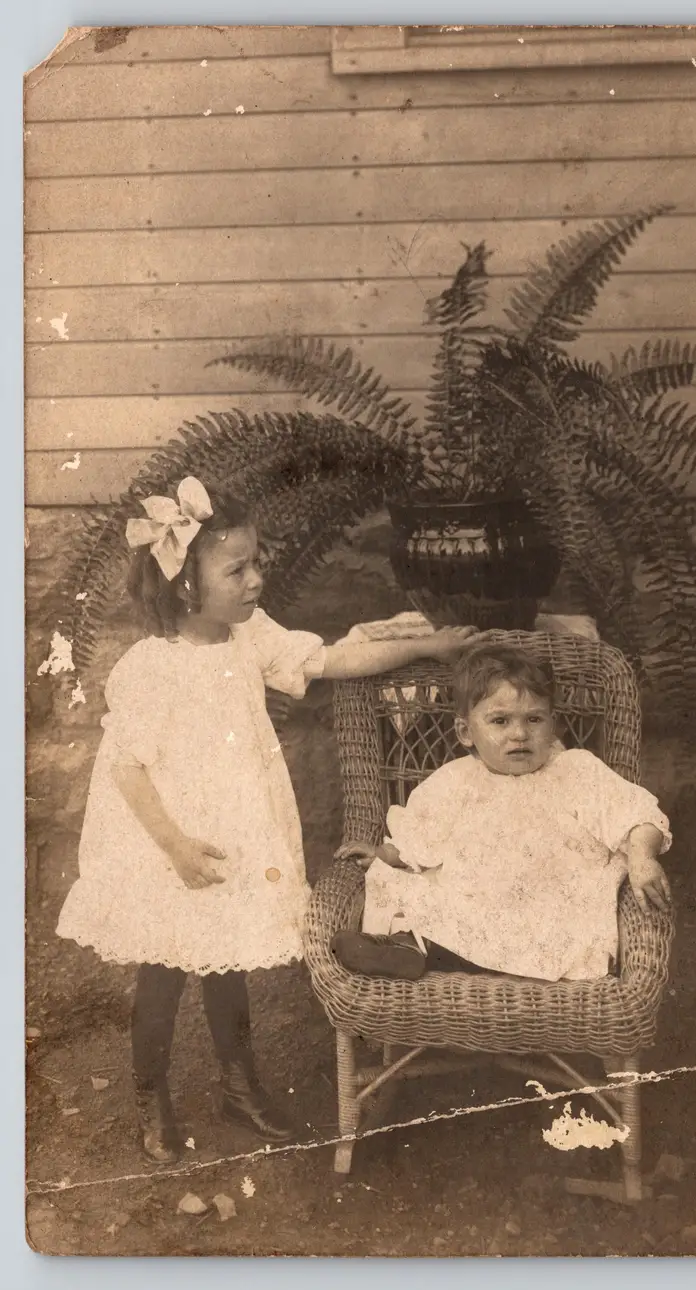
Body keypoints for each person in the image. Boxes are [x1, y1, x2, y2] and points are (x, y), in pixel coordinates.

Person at [56, 476, 486, 1165]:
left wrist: (425, 648)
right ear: (187, 587)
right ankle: (150, 1095)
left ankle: (238, 1083)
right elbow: (128, 769)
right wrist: (172, 847)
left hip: (233, 830)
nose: (256, 580)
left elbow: (326, 658)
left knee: (228, 962)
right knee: (163, 972)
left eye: (257, 563)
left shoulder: (248, 635)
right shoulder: (150, 667)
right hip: (170, 840)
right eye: (238, 569)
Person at [333, 643, 672, 983]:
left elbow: (638, 814)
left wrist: (643, 857)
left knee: (551, 925)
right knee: (396, 884)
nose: (520, 734)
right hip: (472, 905)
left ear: (552, 725)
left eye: (534, 719)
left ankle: (438, 952)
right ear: (466, 732)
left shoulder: (576, 771)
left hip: (550, 912)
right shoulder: (454, 781)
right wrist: (383, 855)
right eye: (500, 721)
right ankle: (407, 948)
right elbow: (417, 842)